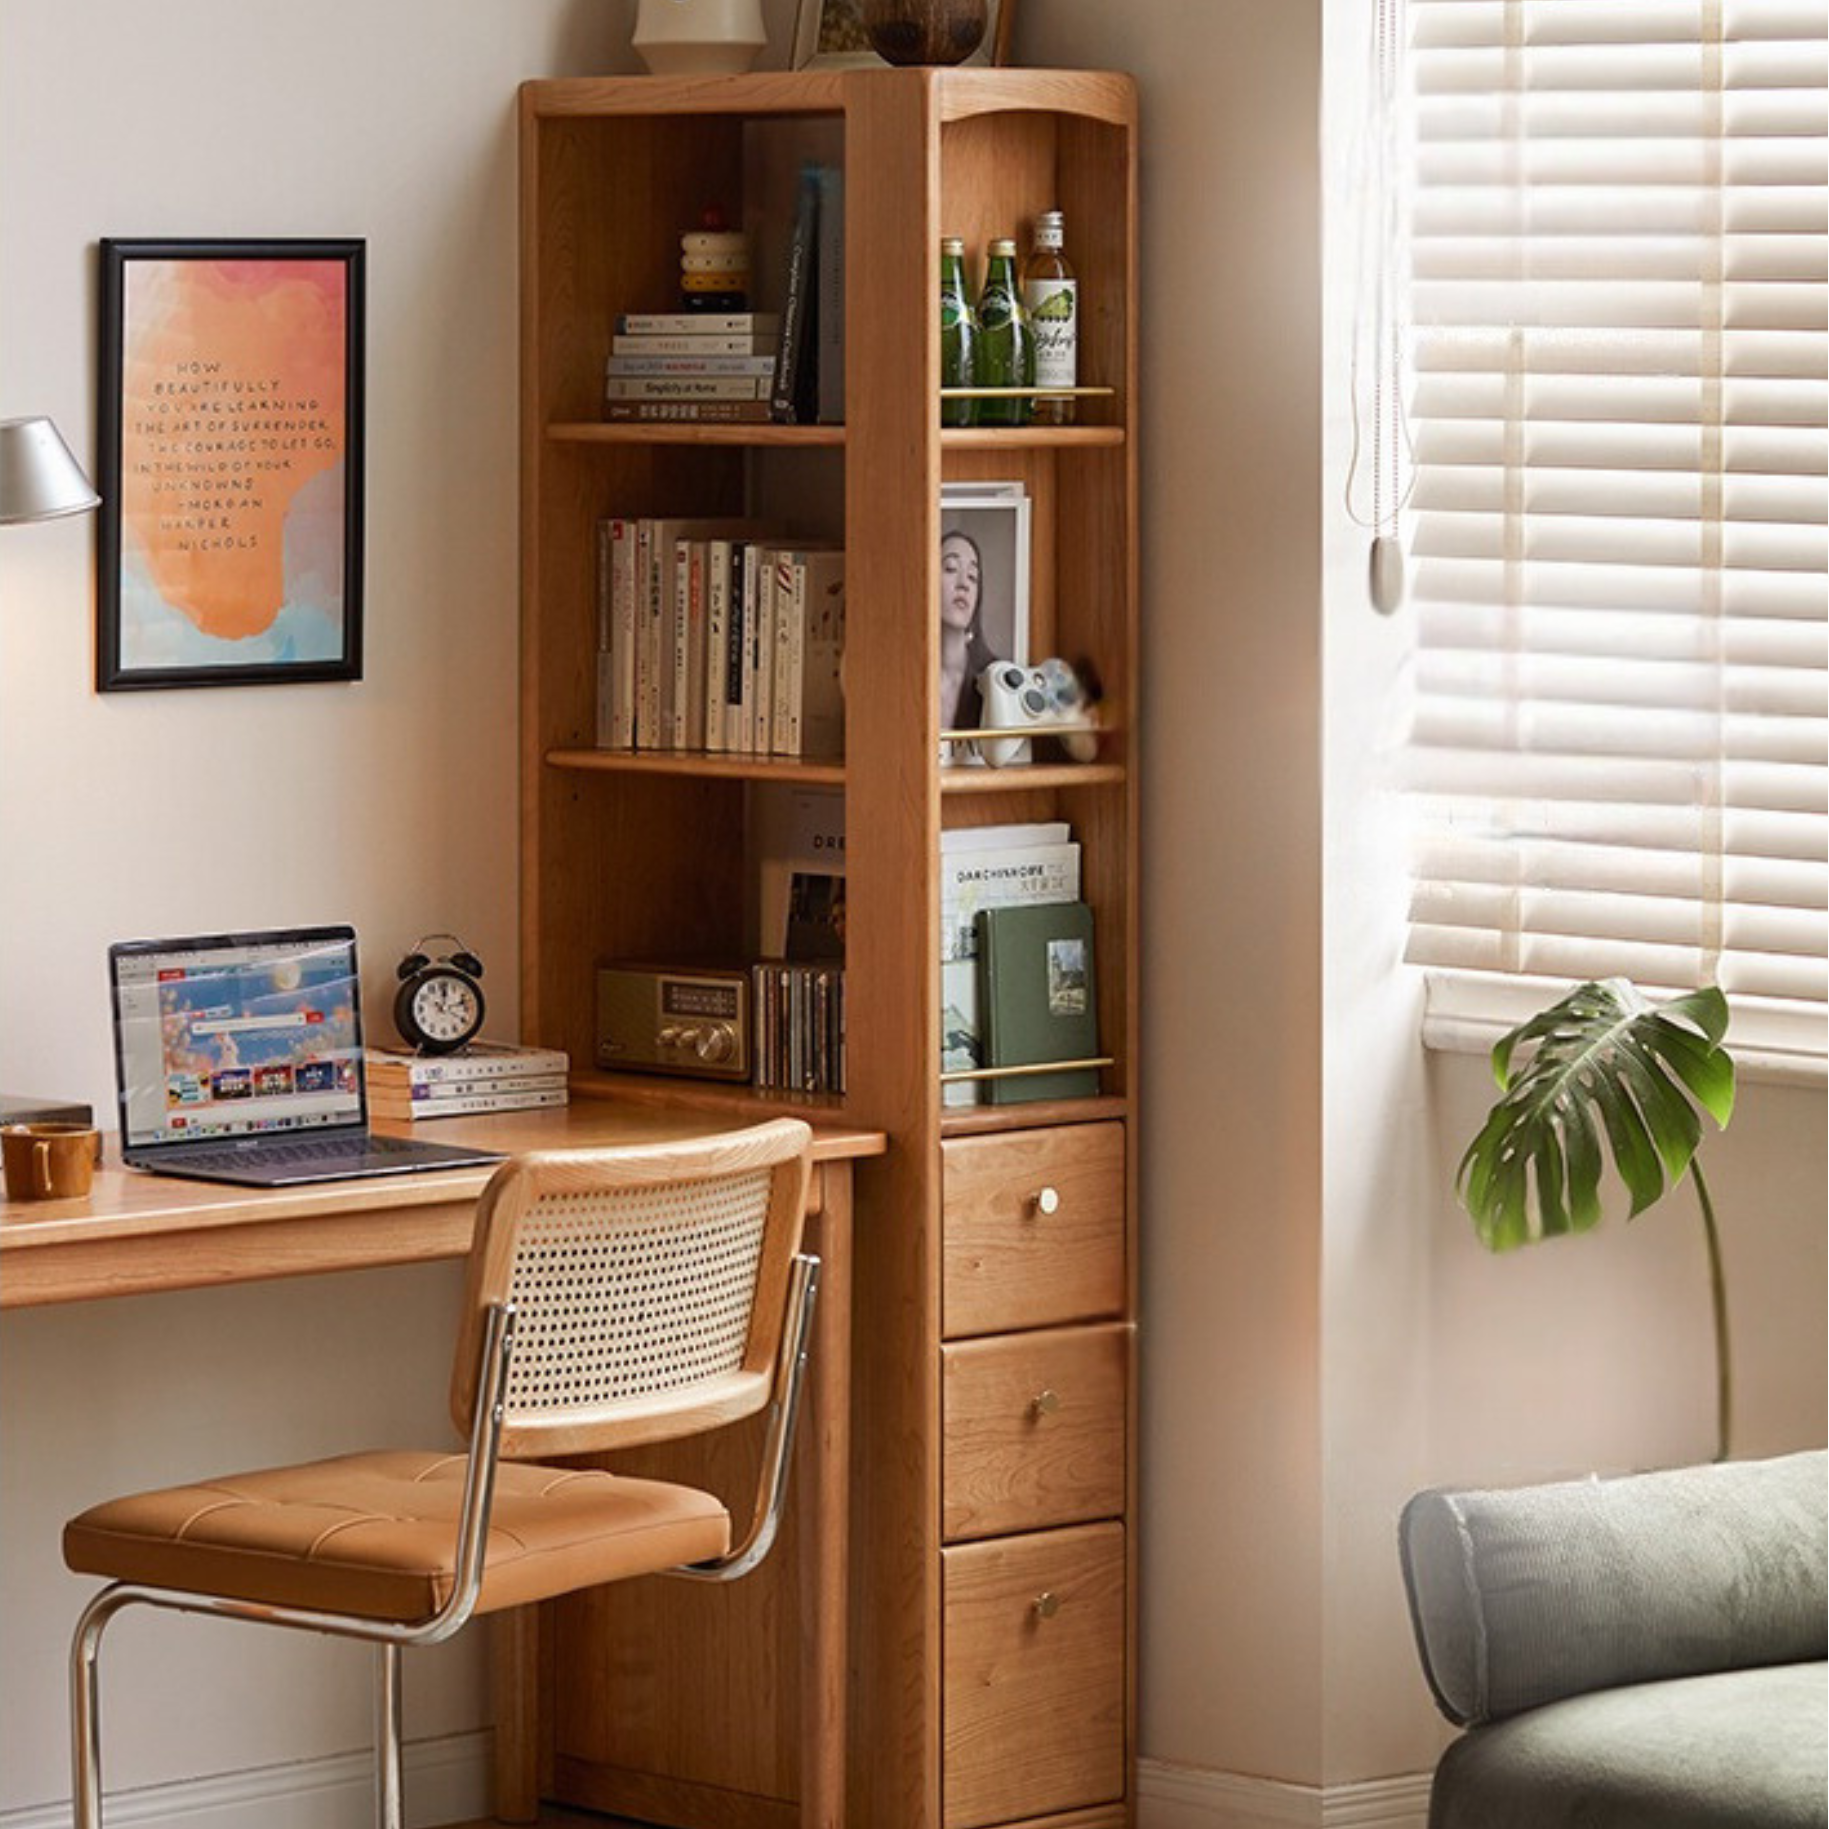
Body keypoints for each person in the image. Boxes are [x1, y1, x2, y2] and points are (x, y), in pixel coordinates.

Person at [938, 527, 1000, 735]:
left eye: (972, 577)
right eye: (950, 568)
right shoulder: (901, 673)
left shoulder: (995, 678)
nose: (963, 584)